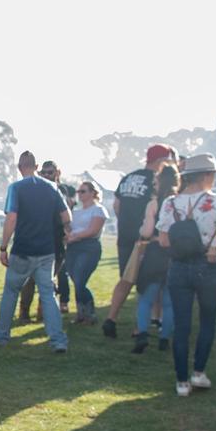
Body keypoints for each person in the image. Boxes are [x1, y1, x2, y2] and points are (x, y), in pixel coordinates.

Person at [155, 153, 216, 397]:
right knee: (207, 321)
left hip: (179, 266)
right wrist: (213, 244)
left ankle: (181, 381)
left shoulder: (170, 203)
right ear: (207, 175)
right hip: (208, 265)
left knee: (181, 325)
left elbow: (162, 240)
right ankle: (198, 372)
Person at [0, 151, 71, 352]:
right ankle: (58, 340)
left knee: (11, 292)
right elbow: (66, 216)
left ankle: (1, 335)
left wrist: (3, 247)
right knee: (48, 294)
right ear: (37, 166)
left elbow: (11, 218)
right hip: (47, 250)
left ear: (19, 167)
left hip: (23, 249)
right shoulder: (52, 187)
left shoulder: (16, 188)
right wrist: (67, 232)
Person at [102, 144, 177, 338]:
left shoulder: (128, 177)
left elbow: (117, 206)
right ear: (161, 161)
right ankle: (140, 326)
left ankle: (111, 318)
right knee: (146, 284)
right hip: (146, 238)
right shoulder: (157, 180)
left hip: (125, 236)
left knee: (126, 278)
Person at [131, 164, 179, 353]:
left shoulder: (154, 203)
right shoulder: (181, 202)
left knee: (146, 299)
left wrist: (143, 232)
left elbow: (147, 231)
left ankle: (142, 333)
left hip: (155, 253)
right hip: (175, 254)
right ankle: (164, 338)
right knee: (169, 301)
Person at [18, 160, 70, 320]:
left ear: (57, 173)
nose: (47, 175)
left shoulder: (62, 191)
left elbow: (66, 215)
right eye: (44, 172)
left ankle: (43, 312)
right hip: (34, 238)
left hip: (56, 240)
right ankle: (24, 312)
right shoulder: (33, 189)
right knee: (29, 278)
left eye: (50, 172)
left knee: (47, 279)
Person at [65, 180, 108, 324]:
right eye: (78, 192)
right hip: (73, 248)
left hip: (88, 247)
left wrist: (74, 237)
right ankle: (81, 313)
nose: (79, 194)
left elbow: (93, 230)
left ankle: (89, 313)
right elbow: (69, 228)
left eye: (83, 191)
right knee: (76, 279)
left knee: (79, 279)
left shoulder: (98, 210)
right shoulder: (75, 212)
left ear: (93, 193)